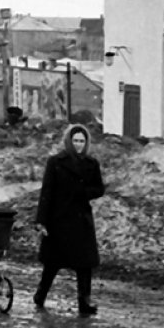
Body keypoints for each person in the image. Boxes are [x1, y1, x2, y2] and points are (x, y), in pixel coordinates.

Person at [34, 124, 105, 315]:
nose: (79, 145)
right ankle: (41, 294)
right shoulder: (56, 162)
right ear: (69, 141)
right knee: (52, 263)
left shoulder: (91, 164)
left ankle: (85, 301)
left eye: (82, 141)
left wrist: (84, 192)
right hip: (59, 219)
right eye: (75, 141)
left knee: (85, 264)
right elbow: (46, 192)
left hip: (81, 219)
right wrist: (41, 220)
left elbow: (99, 188)